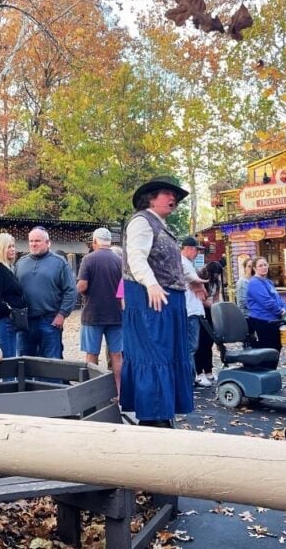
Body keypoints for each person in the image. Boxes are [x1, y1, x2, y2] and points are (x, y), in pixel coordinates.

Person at [120, 176, 194, 427]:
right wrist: (151, 284)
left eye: (175, 196)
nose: (173, 198)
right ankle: (153, 420)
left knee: (166, 355)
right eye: (167, 193)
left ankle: (163, 414)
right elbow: (136, 257)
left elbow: (176, 263)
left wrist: (193, 281)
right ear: (150, 197)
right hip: (149, 301)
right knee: (154, 355)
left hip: (167, 301)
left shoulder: (162, 226)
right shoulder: (142, 221)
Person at [15, 227, 77, 360]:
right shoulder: (21, 263)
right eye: (31, 241)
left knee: (51, 364)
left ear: (48, 242)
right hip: (25, 321)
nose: (33, 244)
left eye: (37, 240)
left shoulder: (59, 263)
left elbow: (71, 291)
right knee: (23, 363)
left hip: (49, 320)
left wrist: (62, 314)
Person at [77, 227, 123, 394]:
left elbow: (83, 286)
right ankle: (120, 392)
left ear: (95, 241)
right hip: (116, 315)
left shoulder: (88, 259)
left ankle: (93, 393)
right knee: (117, 355)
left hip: (93, 314)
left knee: (91, 355)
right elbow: (123, 289)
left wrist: (77, 288)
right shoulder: (119, 260)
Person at [0, 233, 27, 360]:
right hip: (3, 321)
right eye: (8, 247)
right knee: (8, 360)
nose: (13, 249)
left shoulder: (6, 268)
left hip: (6, 321)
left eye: (13, 246)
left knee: (10, 357)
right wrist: (8, 311)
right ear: (0, 248)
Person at [180, 236, 212, 387]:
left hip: (193, 310)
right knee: (191, 347)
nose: (197, 253)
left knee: (193, 346)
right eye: (195, 250)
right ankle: (189, 377)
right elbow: (196, 283)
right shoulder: (183, 263)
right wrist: (203, 283)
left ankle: (191, 376)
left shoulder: (187, 263)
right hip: (190, 310)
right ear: (187, 248)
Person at [245, 257, 286, 351]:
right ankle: (266, 366)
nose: (264, 267)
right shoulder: (254, 283)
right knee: (268, 349)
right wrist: (280, 311)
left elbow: (277, 298)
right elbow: (267, 302)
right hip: (262, 320)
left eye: (265, 265)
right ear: (254, 268)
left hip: (273, 321)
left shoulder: (268, 282)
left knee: (276, 347)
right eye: (260, 265)